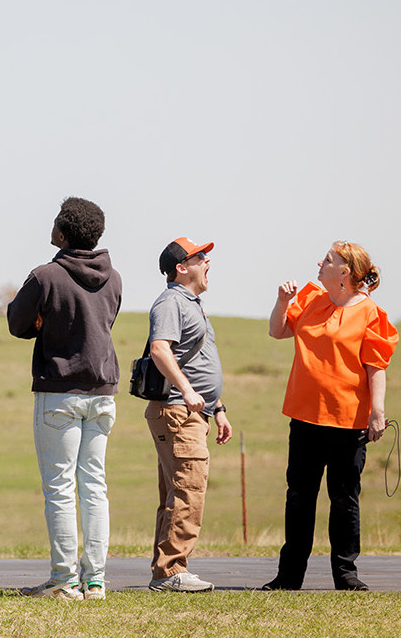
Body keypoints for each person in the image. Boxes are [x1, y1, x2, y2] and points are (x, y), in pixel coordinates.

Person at [261, 241, 398, 592]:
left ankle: (346, 574)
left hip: (348, 421)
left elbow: (375, 366)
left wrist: (377, 412)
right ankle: (289, 576)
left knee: (344, 497)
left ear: (345, 273)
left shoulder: (370, 314)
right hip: (305, 416)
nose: (319, 263)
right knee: (299, 495)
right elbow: (277, 331)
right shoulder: (310, 299)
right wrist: (282, 301)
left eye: (328, 260)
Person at [5, 196, 122, 601]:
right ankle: (95, 581)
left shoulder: (46, 276)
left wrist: (44, 322)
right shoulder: (115, 277)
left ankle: (63, 579)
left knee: (59, 487)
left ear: (62, 232)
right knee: (94, 486)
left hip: (59, 392)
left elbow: (16, 323)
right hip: (103, 391)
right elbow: (100, 323)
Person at [145, 238, 232, 592]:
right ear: (182, 267)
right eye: (200, 256)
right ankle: (171, 571)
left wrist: (219, 408)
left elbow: (199, 363)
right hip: (179, 411)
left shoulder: (192, 305)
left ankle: (166, 570)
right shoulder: (171, 303)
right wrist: (187, 390)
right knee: (188, 489)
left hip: (193, 411)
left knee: (176, 492)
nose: (207, 260)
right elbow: (159, 350)